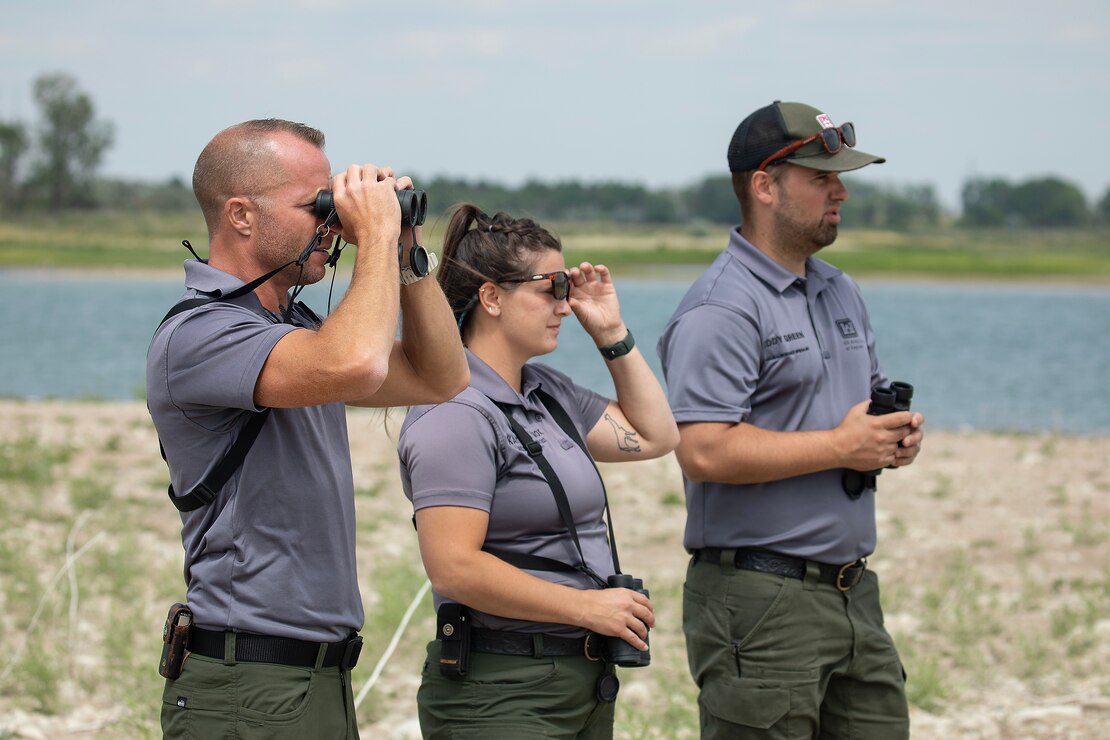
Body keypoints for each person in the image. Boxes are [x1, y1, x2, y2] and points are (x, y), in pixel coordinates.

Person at [147, 118, 469, 739]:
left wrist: (403, 251)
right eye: (314, 206)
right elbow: (356, 361)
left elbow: (440, 376)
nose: (330, 221)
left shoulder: (294, 331)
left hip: (314, 676)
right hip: (249, 681)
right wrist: (372, 236)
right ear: (240, 215)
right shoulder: (199, 334)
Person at [657, 101, 926, 739]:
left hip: (854, 591)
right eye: (822, 178)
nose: (842, 194)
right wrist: (840, 445)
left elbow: (864, 408)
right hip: (759, 601)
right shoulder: (720, 308)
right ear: (765, 186)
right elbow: (703, 452)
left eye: (840, 178)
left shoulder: (842, 290)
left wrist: (892, 439)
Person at [396, 203, 679, 739]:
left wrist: (612, 334)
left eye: (565, 288)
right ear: (492, 297)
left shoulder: (545, 390)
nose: (565, 305)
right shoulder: (454, 409)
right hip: (502, 690)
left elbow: (656, 436)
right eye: (551, 287)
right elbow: (452, 567)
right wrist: (586, 608)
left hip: (579, 680)